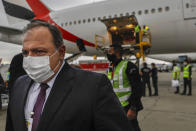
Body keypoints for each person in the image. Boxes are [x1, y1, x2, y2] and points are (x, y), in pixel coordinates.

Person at [6, 20, 133, 131]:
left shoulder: (94, 86)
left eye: (39, 51)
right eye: (25, 52)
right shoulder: (19, 84)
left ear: (61, 52)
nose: (30, 58)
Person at [107, 44, 143, 131]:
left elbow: (137, 88)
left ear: (117, 52)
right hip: (116, 106)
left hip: (127, 106)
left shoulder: (128, 66)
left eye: (110, 51)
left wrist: (133, 108)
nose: (108, 53)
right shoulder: (111, 67)